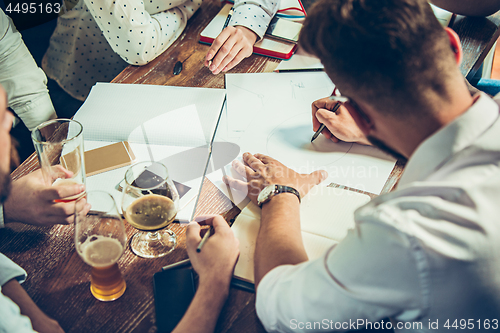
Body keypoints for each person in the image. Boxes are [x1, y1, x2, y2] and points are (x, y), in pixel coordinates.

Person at [222, 0, 500, 331]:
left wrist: (280, 194)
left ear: (360, 116)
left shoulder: (409, 232)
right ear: (453, 46)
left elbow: (282, 310)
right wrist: (383, 131)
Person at [42, 0, 279, 107]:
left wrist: (248, 25)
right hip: (85, 84)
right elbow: (138, 47)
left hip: (171, 58)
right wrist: (190, 5)